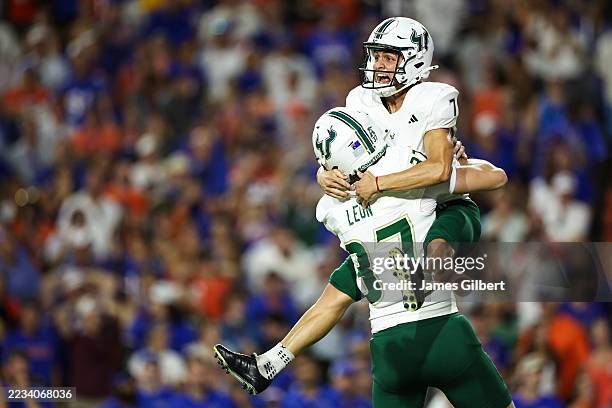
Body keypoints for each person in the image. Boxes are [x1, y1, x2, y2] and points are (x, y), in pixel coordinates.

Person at [215, 107, 513, 408]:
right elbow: (495, 177)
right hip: (440, 326)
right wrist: (456, 160)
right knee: (460, 209)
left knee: (349, 280)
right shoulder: (409, 166)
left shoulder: (331, 208)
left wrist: (323, 176)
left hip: (388, 343)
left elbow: (348, 197)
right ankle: (438, 247)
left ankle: (270, 363)